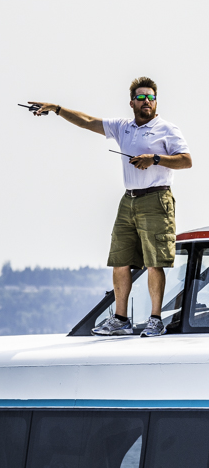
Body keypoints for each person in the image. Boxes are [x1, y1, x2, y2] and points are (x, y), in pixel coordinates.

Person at [30, 78, 193, 337]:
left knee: (154, 262)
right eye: (141, 97)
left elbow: (186, 160)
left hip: (157, 198)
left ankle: (155, 320)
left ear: (156, 101)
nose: (147, 101)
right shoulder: (122, 127)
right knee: (120, 260)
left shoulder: (167, 129)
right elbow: (87, 121)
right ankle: (120, 319)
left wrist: (154, 159)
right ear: (132, 102)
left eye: (151, 97)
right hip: (128, 199)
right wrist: (57, 109)